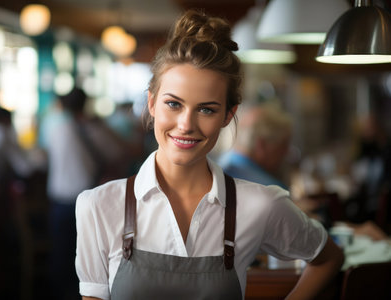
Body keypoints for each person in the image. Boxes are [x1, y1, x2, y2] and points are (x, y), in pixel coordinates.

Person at [75, 10, 344, 300]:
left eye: (207, 109)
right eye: (173, 104)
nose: (186, 125)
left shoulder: (259, 205)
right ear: (152, 103)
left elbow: (328, 257)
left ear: (228, 115)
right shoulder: (98, 206)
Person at [39, 87, 125, 300]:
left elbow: (42, 159)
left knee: (60, 254)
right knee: (88, 260)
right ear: (85, 104)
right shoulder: (93, 129)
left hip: (58, 201)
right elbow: (118, 154)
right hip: (88, 203)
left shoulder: (54, 128)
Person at [218, 103, 292, 189]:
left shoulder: (217, 167)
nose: (287, 152)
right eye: (283, 145)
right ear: (261, 145)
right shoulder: (272, 191)